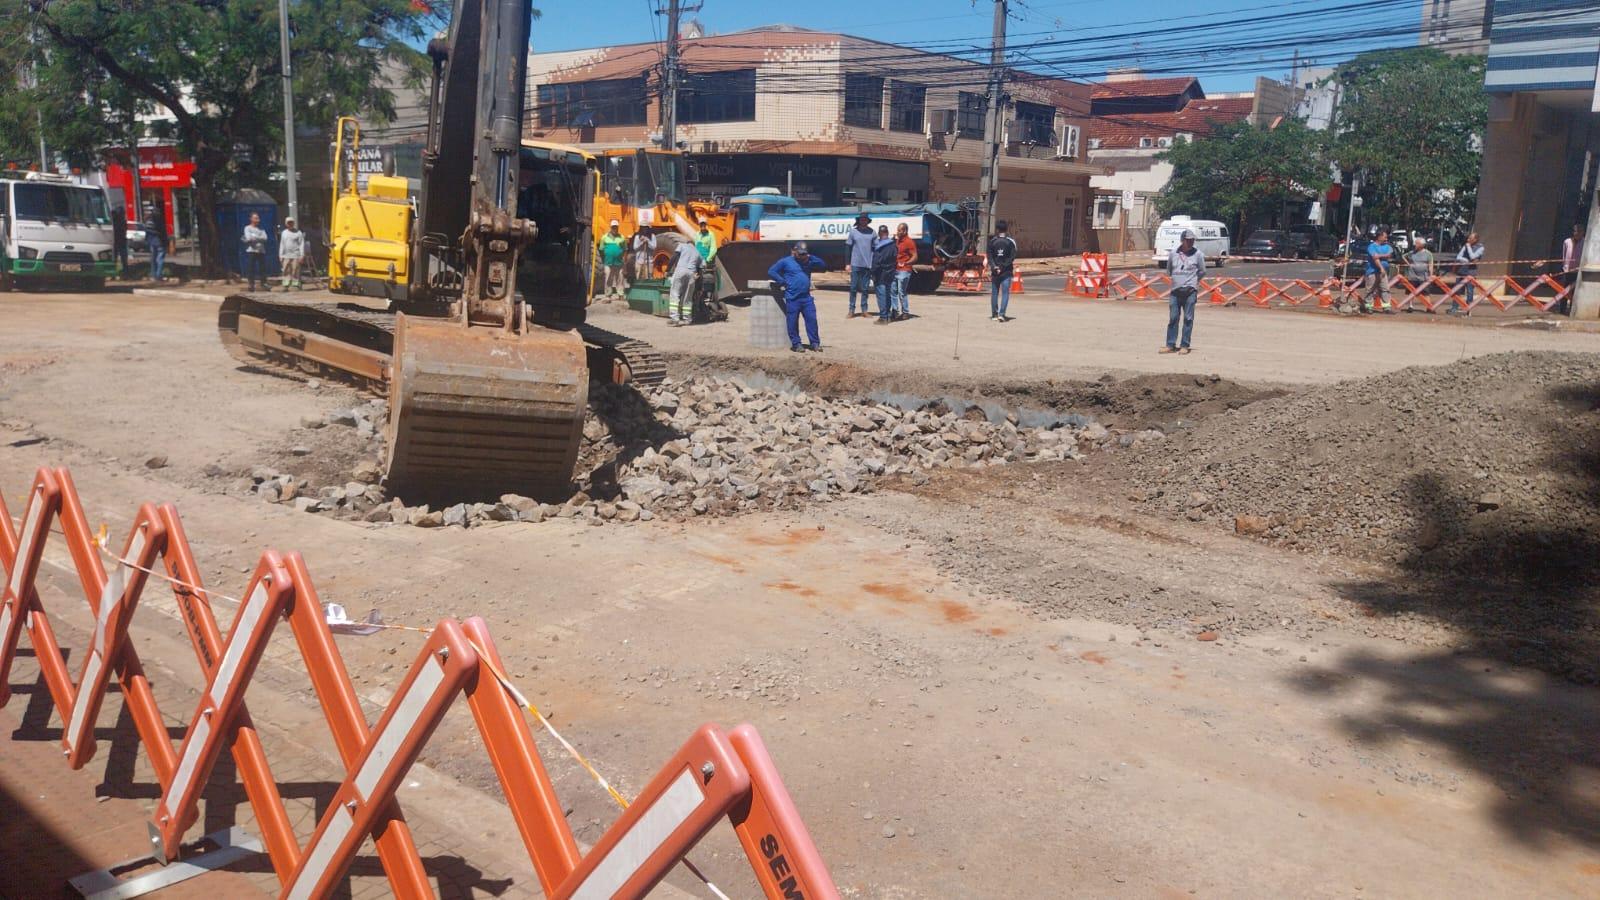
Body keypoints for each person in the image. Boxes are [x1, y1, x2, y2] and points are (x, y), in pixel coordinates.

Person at [768, 242, 828, 352]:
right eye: (800, 253)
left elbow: (823, 265)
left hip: (806, 298)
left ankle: (815, 343)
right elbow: (772, 271)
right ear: (794, 251)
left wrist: (810, 257)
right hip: (792, 298)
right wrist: (782, 281)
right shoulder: (786, 261)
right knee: (792, 322)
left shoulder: (809, 261)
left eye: (804, 254)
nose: (802, 256)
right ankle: (796, 344)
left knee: (812, 320)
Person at [1162, 229, 1204, 354]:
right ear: (1182, 240)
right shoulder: (1173, 253)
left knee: (1188, 318)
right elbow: (1169, 270)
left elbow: (1202, 271)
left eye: (1192, 240)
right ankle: (1170, 345)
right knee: (1173, 318)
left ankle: (1184, 345)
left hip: (1190, 291)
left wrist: (1194, 281)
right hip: (1175, 291)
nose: (1191, 242)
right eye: (1188, 240)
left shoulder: (1198, 254)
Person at [845, 213, 875, 317]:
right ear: (859, 220)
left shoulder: (872, 232)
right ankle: (851, 310)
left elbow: (875, 248)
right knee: (853, 288)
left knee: (865, 289)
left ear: (867, 221)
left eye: (865, 219)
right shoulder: (853, 232)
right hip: (855, 264)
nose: (863, 221)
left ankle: (864, 310)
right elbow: (848, 247)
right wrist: (847, 263)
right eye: (862, 219)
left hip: (867, 264)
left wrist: (874, 263)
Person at [987, 220, 1018, 322]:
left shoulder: (992, 241)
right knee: (1005, 293)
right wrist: (1003, 266)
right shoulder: (1011, 242)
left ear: (997, 229)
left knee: (994, 293)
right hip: (1006, 271)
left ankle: (994, 314)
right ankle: (1002, 314)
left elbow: (989, 256)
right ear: (1006, 229)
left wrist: (994, 266)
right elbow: (1012, 257)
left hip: (995, 272)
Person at [667, 237, 703, 326]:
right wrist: (698, 281)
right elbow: (701, 269)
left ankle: (675, 318)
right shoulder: (698, 252)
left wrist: (667, 270)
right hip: (692, 273)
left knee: (675, 294)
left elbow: (674, 257)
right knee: (688, 297)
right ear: (694, 245)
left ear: (687, 242)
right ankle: (687, 319)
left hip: (681, 270)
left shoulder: (682, 245)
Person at [1452, 231, 1485, 316]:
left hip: (1471, 273)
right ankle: (1454, 308)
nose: (1468, 240)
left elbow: (1473, 257)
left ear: (1475, 239)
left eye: (1470, 238)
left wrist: (1468, 247)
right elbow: (1458, 257)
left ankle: (1468, 309)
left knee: (1470, 291)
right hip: (1461, 271)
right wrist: (1466, 260)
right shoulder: (1465, 246)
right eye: (1468, 238)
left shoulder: (1480, 248)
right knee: (1457, 290)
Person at [1362, 229, 1393, 315]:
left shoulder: (1387, 246)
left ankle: (1386, 307)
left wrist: (1379, 256)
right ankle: (1368, 306)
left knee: (1385, 289)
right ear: (1379, 237)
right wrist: (1381, 267)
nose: (1386, 239)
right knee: (1370, 289)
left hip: (1383, 273)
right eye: (1385, 237)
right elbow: (1375, 258)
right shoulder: (1372, 246)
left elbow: (1389, 255)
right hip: (1372, 271)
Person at [870, 224, 897, 323]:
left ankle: (883, 317)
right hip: (890, 273)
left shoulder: (879, 247)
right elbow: (895, 258)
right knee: (888, 294)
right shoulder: (893, 245)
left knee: (881, 295)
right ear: (887, 232)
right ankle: (888, 315)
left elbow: (876, 261)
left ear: (879, 234)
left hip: (880, 274)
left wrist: (872, 272)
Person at [892, 222, 916, 321]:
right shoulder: (897, 241)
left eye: (899, 230)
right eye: (897, 230)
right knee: (893, 290)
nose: (897, 232)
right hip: (895, 269)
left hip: (904, 271)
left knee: (901, 291)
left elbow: (915, 256)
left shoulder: (909, 242)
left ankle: (905, 312)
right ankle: (894, 310)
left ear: (905, 231)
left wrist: (906, 263)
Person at [1560, 223, 1584, 316]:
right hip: (1566, 271)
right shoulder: (1567, 242)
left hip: (1577, 271)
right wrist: (1564, 267)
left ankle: (1571, 311)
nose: (1576, 233)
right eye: (1575, 231)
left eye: (1579, 231)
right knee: (1564, 291)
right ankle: (1562, 310)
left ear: (1583, 232)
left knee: (1574, 293)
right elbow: (1564, 255)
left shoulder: (1584, 243)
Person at [599, 219, 627, 298]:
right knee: (608, 277)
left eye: (616, 227)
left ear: (618, 228)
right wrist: (605, 259)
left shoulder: (622, 237)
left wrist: (624, 260)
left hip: (619, 262)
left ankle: (620, 293)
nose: (615, 229)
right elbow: (601, 249)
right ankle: (608, 294)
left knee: (620, 278)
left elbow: (625, 249)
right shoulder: (604, 237)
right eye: (613, 227)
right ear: (610, 227)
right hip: (608, 262)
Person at [241, 212, 268, 291]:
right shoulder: (247, 228)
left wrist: (254, 237)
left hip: (261, 251)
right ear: (251, 219)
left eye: (258, 218)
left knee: (262, 268)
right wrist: (259, 238)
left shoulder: (261, 229)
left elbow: (265, 238)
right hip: (251, 250)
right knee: (251, 268)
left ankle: (264, 283)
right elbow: (248, 238)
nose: (258, 220)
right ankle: (251, 284)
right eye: (256, 218)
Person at [1405, 236, 1434, 310]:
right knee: (1411, 291)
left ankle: (1429, 307)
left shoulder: (1428, 254)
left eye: (1417, 243)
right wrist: (1408, 264)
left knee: (1426, 292)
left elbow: (1430, 265)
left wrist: (1430, 275)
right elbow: (1403, 256)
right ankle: (1410, 306)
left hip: (1424, 276)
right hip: (1412, 275)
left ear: (1422, 245)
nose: (1415, 245)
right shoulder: (1412, 252)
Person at [278, 217, 305, 290]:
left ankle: (295, 285)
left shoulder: (298, 232)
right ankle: (286, 285)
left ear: (294, 223)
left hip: (295, 255)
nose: (290, 224)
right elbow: (282, 244)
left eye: (291, 222)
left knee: (295, 270)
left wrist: (302, 255)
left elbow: (301, 244)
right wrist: (280, 255)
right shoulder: (284, 233)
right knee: (285, 270)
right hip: (286, 255)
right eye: (288, 223)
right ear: (286, 224)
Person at [145, 211, 168, 283]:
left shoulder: (148, 222)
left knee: (153, 259)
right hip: (160, 242)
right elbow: (163, 233)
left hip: (152, 243)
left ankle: (153, 275)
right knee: (160, 259)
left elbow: (146, 233)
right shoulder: (160, 222)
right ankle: (158, 276)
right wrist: (166, 242)